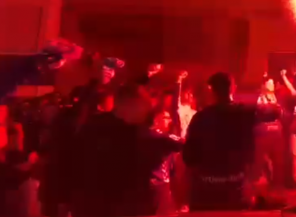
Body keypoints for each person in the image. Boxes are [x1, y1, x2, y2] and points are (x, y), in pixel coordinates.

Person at [69, 84, 178, 217]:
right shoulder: (132, 133)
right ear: (131, 106)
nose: (146, 114)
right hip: (116, 207)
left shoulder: (90, 127)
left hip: (90, 205)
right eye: (144, 108)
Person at [183, 72, 257, 211]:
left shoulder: (200, 118)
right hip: (236, 190)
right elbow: (251, 153)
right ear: (233, 88)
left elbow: (189, 157)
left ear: (212, 91)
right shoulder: (244, 115)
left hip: (207, 193)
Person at [254, 76, 285, 188]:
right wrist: (273, 109)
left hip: (276, 133)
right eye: (270, 83)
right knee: (262, 159)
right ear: (265, 85)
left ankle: (277, 184)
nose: (272, 85)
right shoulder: (261, 98)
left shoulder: (275, 97)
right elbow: (262, 111)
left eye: (273, 83)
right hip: (265, 133)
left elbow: (280, 112)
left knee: (278, 160)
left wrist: (275, 109)